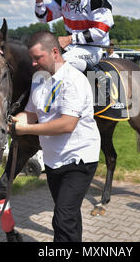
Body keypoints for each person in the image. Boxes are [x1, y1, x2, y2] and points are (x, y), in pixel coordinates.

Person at [10, 31, 100, 242]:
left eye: (37, 58)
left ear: (54, 52)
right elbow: (32, 114)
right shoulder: (40, 79)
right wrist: (12, 122)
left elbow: (67, 124)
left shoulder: (73, 80)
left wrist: (26, 130)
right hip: (53, 160)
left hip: (78, 159)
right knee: (68, 215)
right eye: (31, 58)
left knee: (62, 219)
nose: (33, 63)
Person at [29, 0, 114, 103]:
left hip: (92, 48)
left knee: (62, 62)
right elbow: (45, 17)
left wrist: (70, 39)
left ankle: (100, 78)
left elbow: (101, 30)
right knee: (42, 60)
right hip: (72, 47)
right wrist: (39, 1)